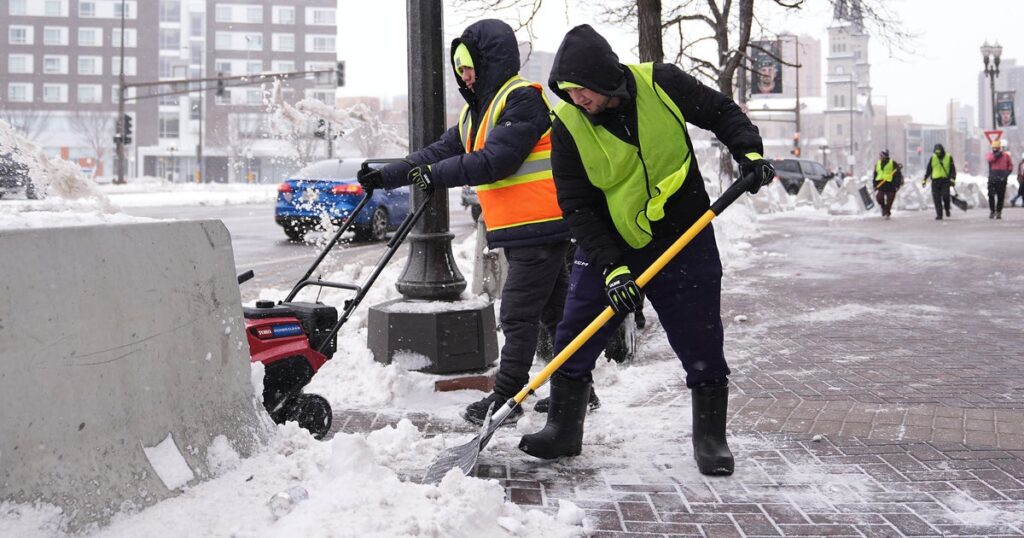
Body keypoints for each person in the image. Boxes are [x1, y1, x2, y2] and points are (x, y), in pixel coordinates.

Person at [518, 24, 773, 477]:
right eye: (569, 92)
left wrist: (747, 152)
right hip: (612, 242)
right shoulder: (569, 126)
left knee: (701, 337)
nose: (578, 100)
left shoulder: (662, 83)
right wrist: (613, 269)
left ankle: (710, 437)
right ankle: (563, 428)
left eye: (582, 90)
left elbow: (720, 111)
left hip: (685, 234)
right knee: (575, 331)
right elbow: (577, 206)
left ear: (604, 78)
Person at [356, 19, 576, 425]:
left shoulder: (522, 101)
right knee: (555, 313)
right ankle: (578, 387)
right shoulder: (479, 114)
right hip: (527, 229)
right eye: (458, 68)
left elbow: (497, 161)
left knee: (516, 314)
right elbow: (437, 152)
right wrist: (386, 175)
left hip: (540, 227)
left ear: (490, 60)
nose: (464, 74)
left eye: (468, 65)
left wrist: (435, 177)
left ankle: (506, 399)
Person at [922, 143, 956, 220]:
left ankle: (947, 209)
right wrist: (924, 179)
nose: (937, 153)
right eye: (936, 152)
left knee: (945, 196)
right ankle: (939, 215)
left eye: (939, 152)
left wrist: (952, 178)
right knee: (936, 198)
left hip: (945, 181)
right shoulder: (933, 158)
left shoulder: (948, 157)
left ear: (942, 151)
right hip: (935, 181)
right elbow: (929, 170)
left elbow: (952, 170)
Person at [986, 141, 1013, 219]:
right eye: (993, 148)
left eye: (996, 148)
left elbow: (1010, 166)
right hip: (992, 178)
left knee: (1000, 196)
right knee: (991, 195)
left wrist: (1007, 174)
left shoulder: (1006, 156)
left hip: (1002, 179)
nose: (995, 149)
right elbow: (989, 160)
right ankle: (992, 211)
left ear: (999, 148)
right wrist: (997, 155)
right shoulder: (991, 155)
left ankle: (998, 212)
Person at [872, 149, 902, 219]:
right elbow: (875, 174)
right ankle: (884, 208)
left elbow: (898, 175)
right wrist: (874, 184)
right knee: (879, 198)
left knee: (890, 200)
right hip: (880, 184)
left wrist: (897, 185)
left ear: (884, 156)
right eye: (880, 155)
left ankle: (887, 212)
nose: (880, 157)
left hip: (890, 184)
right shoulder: (878, 164)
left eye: (881, 155)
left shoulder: (893, 163)